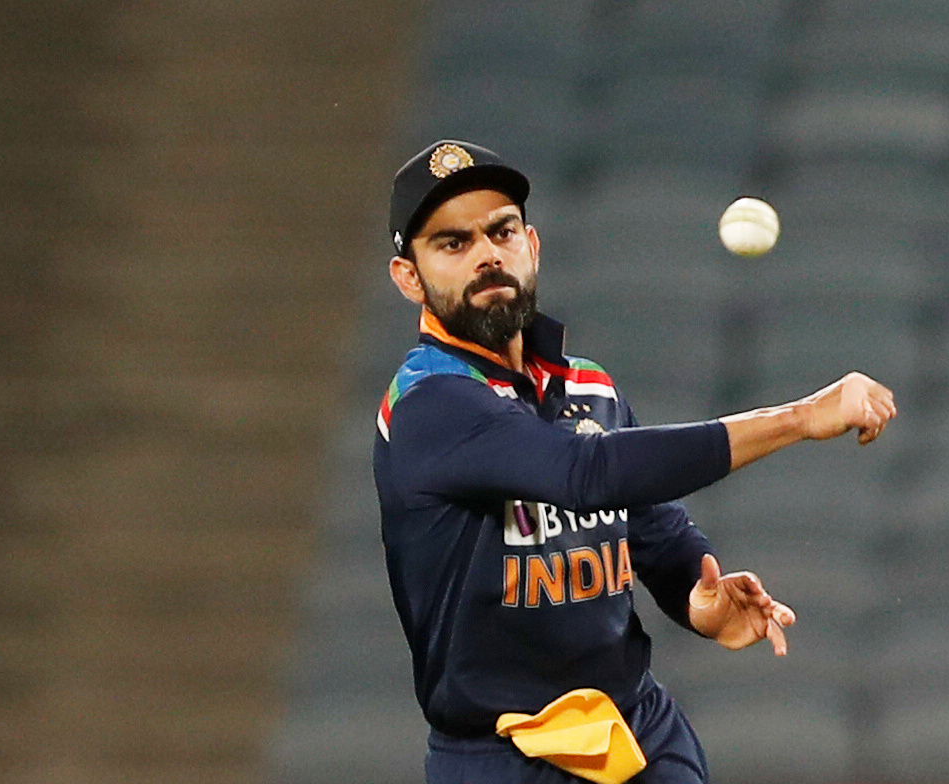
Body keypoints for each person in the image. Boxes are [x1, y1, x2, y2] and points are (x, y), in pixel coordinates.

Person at [374, 140, 897, 784]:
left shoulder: (588, 386)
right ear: (409, 277)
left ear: (531, 244)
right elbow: (587, 474)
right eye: (452, 244)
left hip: (636, 729)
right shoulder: (429, 403)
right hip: (501, 757)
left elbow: (652, 531)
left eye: (501, 230)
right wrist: (797, 419)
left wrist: (698, 601)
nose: (487, 254)